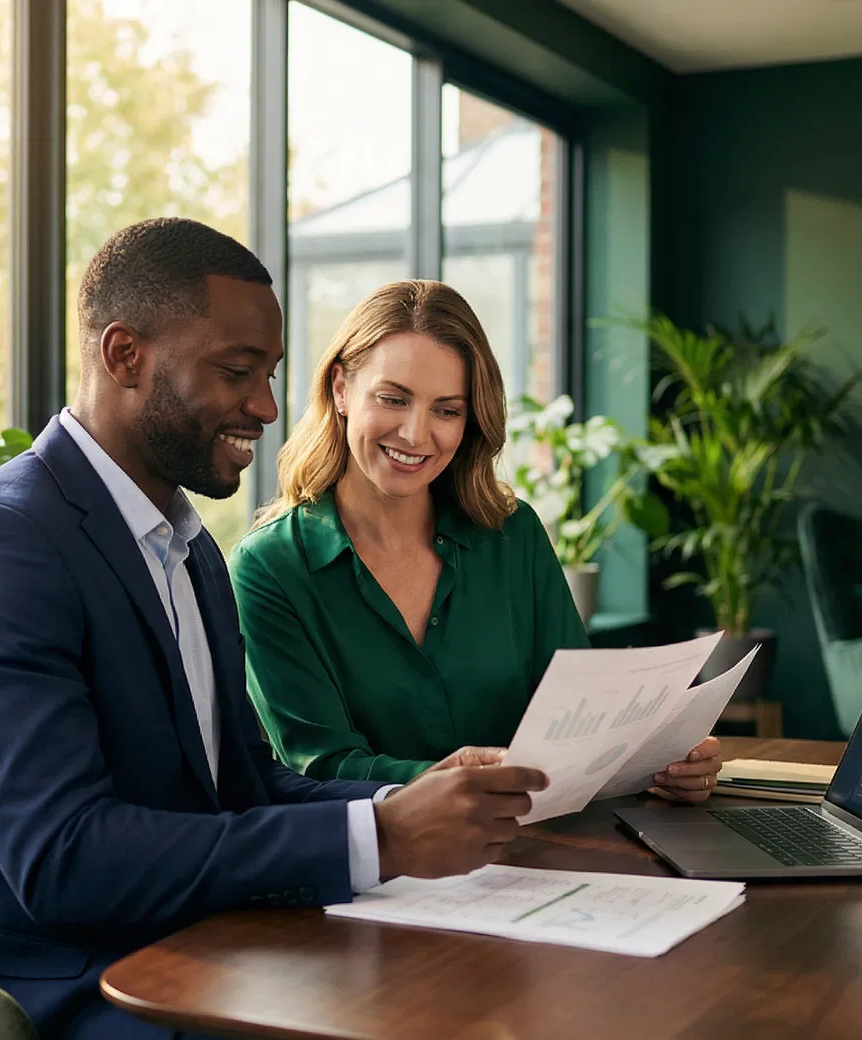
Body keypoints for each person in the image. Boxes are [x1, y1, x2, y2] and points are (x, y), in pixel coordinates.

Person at [0, 220, 548, 1040]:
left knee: (453, 1002)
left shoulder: (188, 548)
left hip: (182, 938)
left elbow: (244, 781)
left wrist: (398, 810)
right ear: (125, 356)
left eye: (267, 376)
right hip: (32, 979)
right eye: (236, 373)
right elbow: (63, 858)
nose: (268, 407)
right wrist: (378, 840)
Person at [230, 280, 722, 796]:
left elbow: (584, 718)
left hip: (545, 846)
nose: (416, 435)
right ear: (340, 389)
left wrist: (660, 764)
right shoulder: (270, 568)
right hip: (386, 861)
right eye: (393, 399)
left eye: (447, 410)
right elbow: (321, 765)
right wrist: (450, 781)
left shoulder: (513, 536)